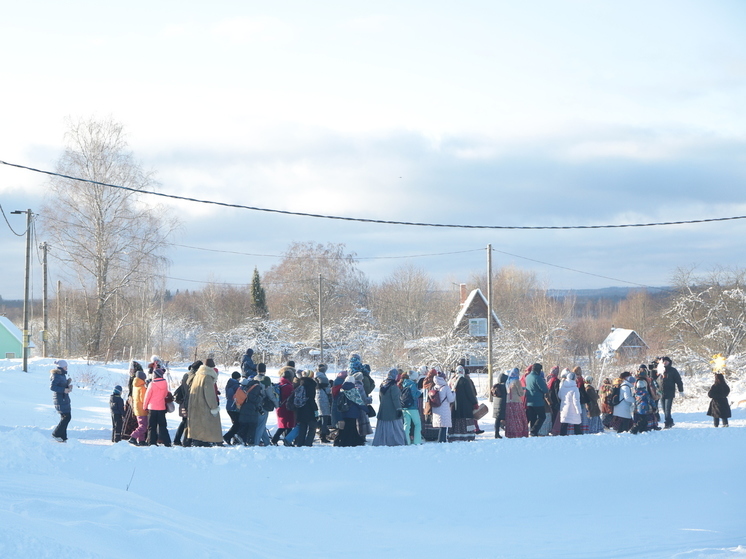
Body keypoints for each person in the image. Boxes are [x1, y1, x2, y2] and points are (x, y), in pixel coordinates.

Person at [187, 358, 224, 446]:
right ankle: (208, 440)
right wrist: (213, 407)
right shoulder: (207, 377)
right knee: (208, 423)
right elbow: (209, 394)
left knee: (198, 424)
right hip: (204, 405)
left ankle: (198, 439)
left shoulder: (197, 375)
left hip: (195, 404)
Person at [372, 369, 407, 446]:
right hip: (392, 410)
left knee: (383, 426)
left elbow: (380, 397)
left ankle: (382, 441)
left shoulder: (383, 384)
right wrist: (398, 409)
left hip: (383, 409)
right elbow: (395, 399)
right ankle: (395, 441)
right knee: (395, 427)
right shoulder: (393, 386)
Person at [173, 360, 200, 446]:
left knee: (184, 422)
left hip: (183, 402)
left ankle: (177, 440)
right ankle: (186, 441)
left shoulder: (186, 375)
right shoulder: (194, 377)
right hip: (189, 403)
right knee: (188, 423)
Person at [143, 367, 172, 446]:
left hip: (152, 408)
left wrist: (144, 406)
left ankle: (152, 442)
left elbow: (147, 396)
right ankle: (167, 442)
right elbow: (165, 394)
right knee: (162, 426)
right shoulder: (165, 383)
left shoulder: (152, 384)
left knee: (152, 426)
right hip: (161, 407)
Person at [334, 376, 366, 447]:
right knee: (352, 427)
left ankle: (341, 441)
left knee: (345, 427)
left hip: (343, 411)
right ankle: (351, 441)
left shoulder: (341, 389)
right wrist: (367, 410)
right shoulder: (353, 390)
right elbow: (359, 402)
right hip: (353, 412)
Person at [449, 365, 478, 442]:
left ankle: (454, 435)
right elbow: (470, 393)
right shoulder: (465, 381)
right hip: (465, 405)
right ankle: (467, 435)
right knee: (466, 420)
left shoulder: (452, 381)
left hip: (454, 405)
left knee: (456, 419)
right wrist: (474, 402)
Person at [272, 365, 297, 445]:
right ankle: (286, 440)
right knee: (288, 425)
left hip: (281, 408)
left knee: (284, 426)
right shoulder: (288, 386)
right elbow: (290, 398)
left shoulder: (281, 384)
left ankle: (278, 439)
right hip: (287, 408)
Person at [236, 376, 264, 445]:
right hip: (251, 410)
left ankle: (241, 438)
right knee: (252, 425)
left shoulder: (249, 385)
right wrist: (260, 398)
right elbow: (253, 398)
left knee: (245, 425)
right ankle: (249, 441)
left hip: (245, 408)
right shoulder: (256, 387)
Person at [50, 359, 72, 442]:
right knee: (67, 417)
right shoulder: (56, 375)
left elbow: (60, 384)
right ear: (62, 367)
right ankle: (56, 434)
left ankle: (63, 436)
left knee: (65, 416)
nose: (67, 368)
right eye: (65, 366)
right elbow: (52, 387)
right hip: (60, 398)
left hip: (64, 398)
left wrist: (68, 384)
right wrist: (64, 390)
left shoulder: (62, 375)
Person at [659, 356, 684, 428]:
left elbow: (678, 380)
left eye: (666, 361)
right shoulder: (660, 371)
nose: (665, 363)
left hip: (670, 392)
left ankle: (667, 423)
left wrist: (681, 390)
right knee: (664, 410)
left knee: (667, 409)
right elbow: (655, 380)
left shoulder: (673, 370)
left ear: (669, 362)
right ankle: (670, 421)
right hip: (661, 393)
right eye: (663, 362)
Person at [524, 363, 549, 437]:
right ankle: (534, 431)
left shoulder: (528, 377)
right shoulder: (538, 378)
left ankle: (533, 432)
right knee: (542, 416)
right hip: (538, 401)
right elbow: (544, 389)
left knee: (533, 417)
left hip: (529, 401)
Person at [294, 374, 319, 446]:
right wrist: (316, 410)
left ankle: (300, 443)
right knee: (312, 427)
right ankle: (308, 443)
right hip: (309, 410)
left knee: (302, 428)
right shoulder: (311, 385)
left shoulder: (300, 385)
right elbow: (311, 399)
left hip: (300, 409)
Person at [254, 363, 276, 446]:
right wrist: (276, 404)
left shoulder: (254, 378)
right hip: (264, 405)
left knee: (261, 424)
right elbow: (270, 394)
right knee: (261, 425)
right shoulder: (265, 379)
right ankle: (256, 443)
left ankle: (267, 442)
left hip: (256, 404)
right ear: (265, 370)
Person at [430, 371, 455, 442]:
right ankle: (441, 440)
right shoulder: (445, 387)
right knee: (443, 426)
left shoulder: (434, 387)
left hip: (436, 408)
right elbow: (451, 399)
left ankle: (441, 439)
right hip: (444, 408)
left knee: (440, 425)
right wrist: (454, 393)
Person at [400, 371, 423, 445]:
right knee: (417, 424)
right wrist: (420, 391)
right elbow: (414, 396)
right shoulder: (412, 384)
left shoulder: (405, 383)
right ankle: (417, 441)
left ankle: (406, 441)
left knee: (406, 425)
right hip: (412, 407)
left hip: (404, 407)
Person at [504, 368, 528, 438]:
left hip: (508, 402)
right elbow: (520, 393)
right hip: (516, 401)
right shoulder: (516, 381)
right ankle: (519, 433)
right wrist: (524, 390)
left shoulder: (508, 381)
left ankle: (511, 433)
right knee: (518, 418)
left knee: (511, 418)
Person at [558, 370, 583, 436]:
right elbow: (576, 400)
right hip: (573, 409)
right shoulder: (575, 388)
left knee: (564, 424)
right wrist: (578, 410)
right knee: (576, 423)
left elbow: (559, 396)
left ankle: (562, 436)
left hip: (564, 407)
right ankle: (579, 436)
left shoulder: (563, 386)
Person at [128, 369, 148, 446]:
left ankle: (141, 440)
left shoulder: (135, 386)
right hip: (141, 409)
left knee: (141, 425)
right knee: (143, 426)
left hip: (136, 408)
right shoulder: (142, 388)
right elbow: (143, 400)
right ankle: (133, 437)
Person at [315, 364, 333, 443]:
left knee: (321, 418)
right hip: (324, 400)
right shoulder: (323, 378)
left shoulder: (316, 377)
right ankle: (323, 436)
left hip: (318, 399)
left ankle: (318, 431)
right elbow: (328, 390)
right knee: (324, 419)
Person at [223, 371, 242, 445]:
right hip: (234, 407)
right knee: (237, 424)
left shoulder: (229, 384)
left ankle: (234, 438)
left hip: (229, 406)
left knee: (235, 423)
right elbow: (237, 396)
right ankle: (227, 436)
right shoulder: (236, 385)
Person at [490, 372, 508, 439]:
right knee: (503, 418)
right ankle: (506, 431)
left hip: (496, 406)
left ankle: (496, 433)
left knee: (497, 419)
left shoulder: (496, 386)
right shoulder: (504, 386)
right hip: (502, 405)